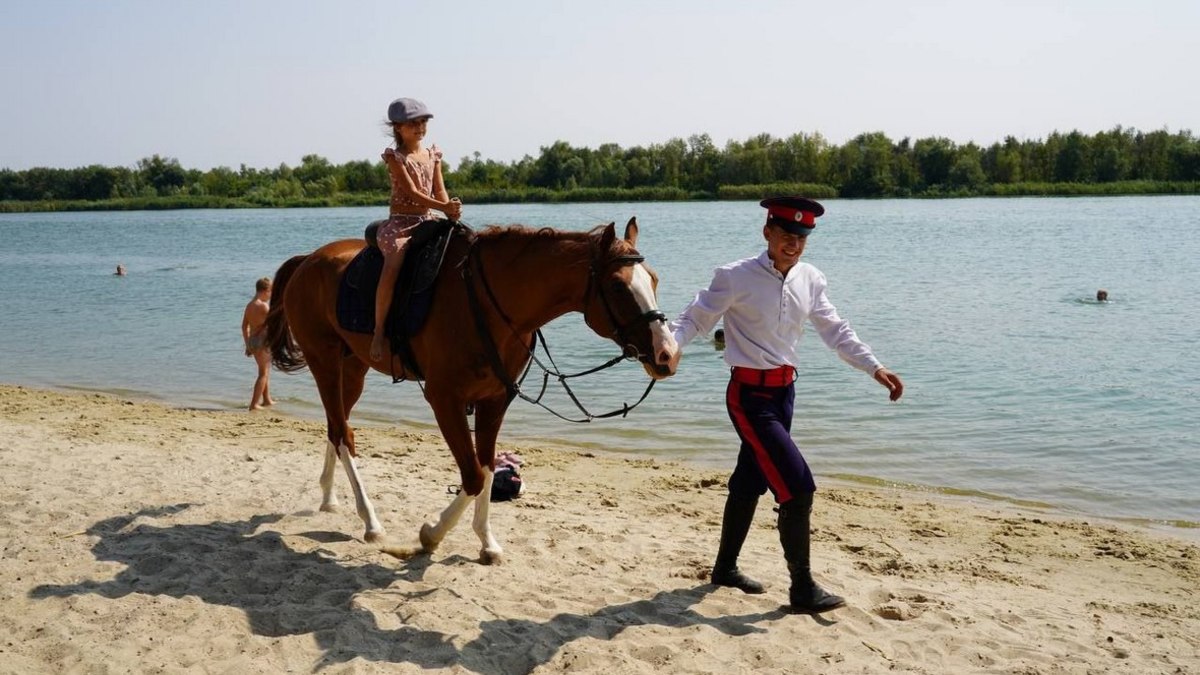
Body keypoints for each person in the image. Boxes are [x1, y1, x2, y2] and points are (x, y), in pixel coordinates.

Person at [668, 196, 904, 613]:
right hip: (749, 397)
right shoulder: (735, 276)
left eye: (801, 237)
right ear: (768, 233)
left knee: (749, 481)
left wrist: (874, 367)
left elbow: (836, 330)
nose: (793, 244)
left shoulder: (811, 279)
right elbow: (696, 319)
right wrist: (668, 346)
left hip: (785, 394)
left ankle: (724, 569)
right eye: (786, 235)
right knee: (797, 487)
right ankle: (802, 589)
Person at [370, 97, 462, 362]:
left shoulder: (432, 155)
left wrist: (450, 208)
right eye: (413, 123)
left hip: (429, 218)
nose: (420, 127)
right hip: (400, 222)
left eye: (423, 122)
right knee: (393, 263)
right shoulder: (395, 157)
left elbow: (439, 188)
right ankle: (378, 330)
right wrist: (443, 207)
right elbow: (411, 191)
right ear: (398, 127)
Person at [241, 277, 275, 411]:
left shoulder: (250, 305)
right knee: (263, 373)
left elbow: (244, 326)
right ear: (265, 290)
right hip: (263, 342)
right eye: (271, 291)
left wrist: (248, 343)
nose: (271, 295)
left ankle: (267, 399)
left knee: (265, 370)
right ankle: (254, 404)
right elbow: (273, 323)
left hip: (254, 342)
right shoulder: (263, 306)